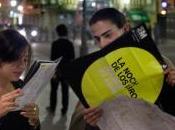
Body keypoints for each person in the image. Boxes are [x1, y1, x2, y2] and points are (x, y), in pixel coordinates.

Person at [69, 8, 175, 130]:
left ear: (125, 29)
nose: (102, 44)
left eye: (108, 35)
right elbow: (77, 122)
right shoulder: (95, 73)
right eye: (97, 39)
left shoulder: (160, 62)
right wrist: (92, 123)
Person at [0, 29, 40, 130]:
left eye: (25, 59)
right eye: (16, 59)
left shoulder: (21, 86)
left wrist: (34, 120)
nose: (22, 66)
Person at [47, 24, 75, 116]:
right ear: (66, 32)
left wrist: (53, 71)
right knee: (65, 91)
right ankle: (64, 109)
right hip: (66, 72)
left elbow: (52, 59)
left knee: (54, 90)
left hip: (56, 70)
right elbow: (72, 58)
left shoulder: (55, 44)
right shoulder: (70, 44)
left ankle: (52, 108)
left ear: (57, 33)